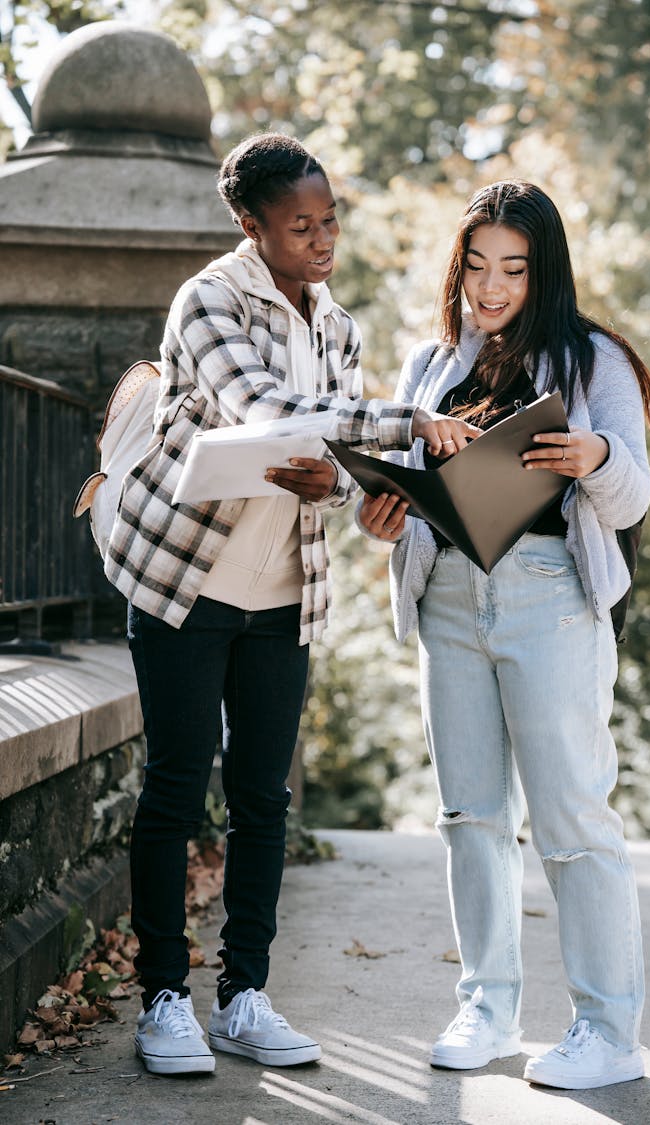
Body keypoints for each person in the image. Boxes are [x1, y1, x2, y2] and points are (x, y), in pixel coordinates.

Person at [103, 132, 475, 1077]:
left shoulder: (339, 327)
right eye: (299, 225)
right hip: (185, 582)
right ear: (251, 225)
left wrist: (342, 488)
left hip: (284, 595)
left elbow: (334, 468)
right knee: (179, 786)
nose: (322, 240)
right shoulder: (208, 302)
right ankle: (160, 1000)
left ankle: (243, 996)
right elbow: (261, 408)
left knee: (264, 797)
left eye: (330, 220)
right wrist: (411, 422)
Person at [358, 180, 650, 1090]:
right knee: (470, 816)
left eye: (514, 270)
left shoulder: (591, 357)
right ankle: (487, 1009)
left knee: (572, 817)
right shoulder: (429, 365)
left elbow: (634, 492)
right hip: (449, 596)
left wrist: (595, 457)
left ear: (544, 273)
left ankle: (608, 1030)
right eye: (478, 266)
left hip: (547, 596)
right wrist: (389, 517)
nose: (492, 288)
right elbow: (417, 497)